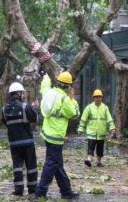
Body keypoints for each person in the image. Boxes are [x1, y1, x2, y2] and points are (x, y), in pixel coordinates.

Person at [34, 72, 80, 200]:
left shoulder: (49, 92)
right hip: (56, 136)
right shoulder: (65, 99)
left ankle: (66, 192)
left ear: (58, 82)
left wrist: (47, 76)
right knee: (51, 165)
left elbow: (44, 86)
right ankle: (39, 194)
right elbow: (75, 113)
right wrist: (72, 98)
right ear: (69, 87)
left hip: (47, 133)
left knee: (57, 164)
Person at [2, 82, 39, 197]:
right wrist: (34, 108)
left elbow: (6, 123)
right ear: (18, 93)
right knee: (31, 166)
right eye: (22, 93)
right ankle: (32, 189)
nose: (23, 95)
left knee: (17, 167)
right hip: (27, 142)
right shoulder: (25, 106)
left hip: (14, 143)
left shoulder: (4, 109)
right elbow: (35, 118)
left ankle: (18, 190)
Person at [78, 89, 116, 167]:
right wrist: (80, 129)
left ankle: (99, 162)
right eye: (96, 97)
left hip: (101, 132)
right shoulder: (89, 108)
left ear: (101, 98)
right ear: (93, 98)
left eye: (99, 97)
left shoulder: (105, 108)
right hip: (91, 132)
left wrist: (112, 128)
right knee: (90, 147)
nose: (98, 98)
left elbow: (109, 118)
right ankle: (88, 159)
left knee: (100, 148)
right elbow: (83, 119)